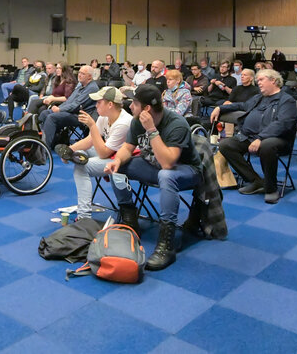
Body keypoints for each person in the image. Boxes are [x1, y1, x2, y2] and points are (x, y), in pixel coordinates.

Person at [104, 84, 202, 271]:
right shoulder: (136, 120)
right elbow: (127, 148)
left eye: (134, 103)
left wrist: (151, 130)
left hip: (186, 171)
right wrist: (117, 161)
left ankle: (167, 243)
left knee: (166, 176)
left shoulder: (177, 123)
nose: (130, 106)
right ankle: (130, 219)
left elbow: (167, 163)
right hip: (152, 166)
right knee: (118, 165)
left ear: (147, 108)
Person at [212, 69, 297, 204]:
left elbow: (282, 124)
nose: (258, 83)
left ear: (273, 81)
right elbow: (242, 105)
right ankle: (255, 181)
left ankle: (271, 188)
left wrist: (261, 138)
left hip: (277, 139)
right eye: (257, 81)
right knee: (226, 145)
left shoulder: (287, 100)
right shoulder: (259, 98)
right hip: (250, 137)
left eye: (261, 80)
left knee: (267, 146)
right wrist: (221, 108)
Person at [59, 86, 132, 220]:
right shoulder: (104, 117)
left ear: (110, 104)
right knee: (79, 152)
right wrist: (71, 150)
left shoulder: (124, 122)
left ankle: (84, 216)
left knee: (81, 167)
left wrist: (92, 126)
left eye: (99, 102)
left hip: (122, 161)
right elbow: (90, 140)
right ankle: (84, 214)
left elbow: (104, 153)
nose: (96, 104)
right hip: (110, 153)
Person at [39, 66, 99, 150]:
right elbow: (69, 101)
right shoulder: (80, 86)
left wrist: (60, 109)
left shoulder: (92, 88)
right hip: (72, 112)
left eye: (83, 74)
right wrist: (58, 108)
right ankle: (46, 141)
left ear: (89, 76)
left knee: (51, 117)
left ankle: (43, 149)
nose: (79, 75)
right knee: (45, 113)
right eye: (79, 73)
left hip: (80, 116)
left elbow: (77, 105)